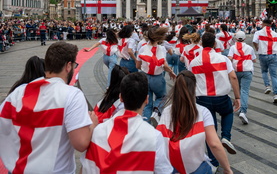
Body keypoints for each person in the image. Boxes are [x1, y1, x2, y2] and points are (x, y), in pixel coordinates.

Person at [0, 42, 98, 173]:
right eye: (74, 65)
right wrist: (92, 125)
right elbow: (81, 143)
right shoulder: (72, 95)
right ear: (68, 66)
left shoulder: (19, 92)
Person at [80, 72, 173, 173]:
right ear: (147, 99)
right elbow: (164, 171)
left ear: (120, 97)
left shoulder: (98, 131)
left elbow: (86, 167)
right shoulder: (154, 137)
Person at [157, 70, 233, 174]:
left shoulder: (166, 111)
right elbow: (214, 144)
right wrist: (227, 168)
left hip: (171, 167)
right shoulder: (203, 112)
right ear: (194, 88)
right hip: (195, 167)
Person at [189, 32, 241, 168]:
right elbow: (234, 77)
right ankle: (226, 137)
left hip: (202, 99)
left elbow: (190, 81)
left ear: (201, 43)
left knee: (209, 129)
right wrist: (237, 97)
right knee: (228, 112)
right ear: (214, 44)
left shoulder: (194, 62)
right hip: (221, 97)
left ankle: (213, 161)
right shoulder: (223, 59)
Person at [136, 26, 176, 124]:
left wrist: (144, 68)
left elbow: (137, 65)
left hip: (145, 77)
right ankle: (157, 111)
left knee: (147, 102)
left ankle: (146, 122)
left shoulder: (142, 48)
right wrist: (171, 71)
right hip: (158, 78)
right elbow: (165, 65)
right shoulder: (162, 49)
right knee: (161, 97)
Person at [227, 31, 257, 124]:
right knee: (245, 91)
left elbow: (229, 58)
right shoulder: (249, 48)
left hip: (236, 71)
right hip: (247, 71)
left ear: (236, 39)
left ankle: (239, 106)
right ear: (244, 39)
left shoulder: (232, 47)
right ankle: (243, 111)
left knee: (238, 90)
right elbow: (254, 60)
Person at [253, 19, 277, 104]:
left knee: (264, 71)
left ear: (263, 24)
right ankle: (276, 95)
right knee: (274, 75)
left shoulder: (258, 33)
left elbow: (254, 41)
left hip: (263, 55)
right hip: (273, 56)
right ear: (270, 25)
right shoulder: (276, 34)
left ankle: (267, 86)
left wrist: (257, 48)